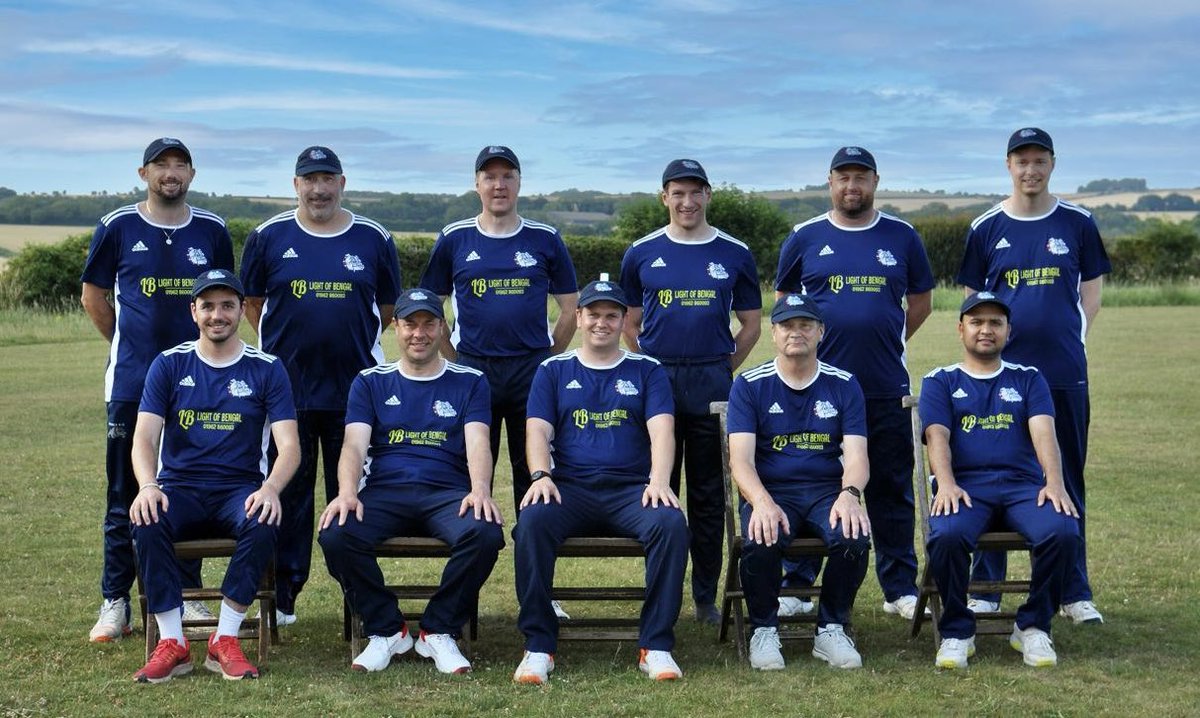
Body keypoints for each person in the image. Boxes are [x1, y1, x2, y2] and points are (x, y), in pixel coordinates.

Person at [239, 146, 402, 624]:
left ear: (342, 182)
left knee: (352, 493)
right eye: (309, 179)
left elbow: (387, 309)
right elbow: (252, 303)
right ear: (295, 185)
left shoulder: (373, 237)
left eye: (328, 178)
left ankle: (357, 596)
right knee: (287, 496)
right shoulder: (268, 236)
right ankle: (284, 596)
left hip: (355, 394)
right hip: (285, 394)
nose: (319, 188)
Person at [81, 137, 234, 642]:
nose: (171, 173)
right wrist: (130, 346)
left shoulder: (210, 229)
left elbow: (222, 299)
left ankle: (187, 597)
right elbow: (94, 297)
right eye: (161, 165)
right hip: (131, 383)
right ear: (143, 172)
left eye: (180, 165)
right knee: (125, 493)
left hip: (199, 386)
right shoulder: (118, 225)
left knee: (184, 487)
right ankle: (115, 601)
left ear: (192, 173)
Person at [957, 128, 1111, 624]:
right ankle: (987, 587)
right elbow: (971, 306)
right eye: (1021, 161)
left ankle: (1073, 591)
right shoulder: (985, 227)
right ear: (1008, 165)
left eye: (1039, 160)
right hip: (998, 379)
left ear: (1052, 164)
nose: (1031, 170)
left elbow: (1091, 293)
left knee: (1065, 476)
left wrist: (1075, 338)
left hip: (1064, 373)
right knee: (991, 471)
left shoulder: (1079, 223)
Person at [773, 146, 934, 621]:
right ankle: (798, 586)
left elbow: (920, 303)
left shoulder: (902, 236)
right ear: (830, 182)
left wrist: (885, 338)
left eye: (860, 178)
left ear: (875, 182)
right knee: (813, 482)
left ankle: (899, 587)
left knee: (890, 488)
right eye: (843, 178)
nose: (852, 187)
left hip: (885, 385)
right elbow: (785, 307)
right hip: (817, 389)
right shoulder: (804, 237)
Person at [318, 288, 505, 675]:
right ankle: (386, 629)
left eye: (428, 324)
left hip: (448, 495)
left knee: (485, 533)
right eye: (410, 324)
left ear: (442, 329)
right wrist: (347, 493)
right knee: (336, 533)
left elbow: (477, 442)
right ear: (395, 328)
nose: (418, 333)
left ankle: (439, 630)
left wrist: (480, 490)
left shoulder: (470, 381)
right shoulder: (370, 381)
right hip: (385, 493)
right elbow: (353, 445)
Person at [511, 280, 689, 685]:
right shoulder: (552, 370)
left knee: (671, 525)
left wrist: (659, 481)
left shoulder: (648, 369)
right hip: (568, 489)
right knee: (532, 524)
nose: (602, 323)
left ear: (625, 320)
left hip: (631, 491)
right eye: (593, 314)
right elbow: (537, 430)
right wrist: (540, 475)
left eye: (612, 315)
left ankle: (655, 645)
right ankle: (539, 645)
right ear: (578, 318)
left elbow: (663, 430)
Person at [128, 269, 300, 682]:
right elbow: (144, 440)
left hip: (238, 490)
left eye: (227, 305)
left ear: (242, 310)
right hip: (179, 489)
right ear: (194, 311)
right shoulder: (169, 364)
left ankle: (225, 638)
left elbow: (290, 446)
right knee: (144, 517)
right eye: (207, 306)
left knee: (265, 517)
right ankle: (174, 643)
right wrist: (148, 486)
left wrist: (271, 488)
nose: (217, 315)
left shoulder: (267, 368)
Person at [619, 159, 761, 625]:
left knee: (708, 496)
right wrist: (649, 371)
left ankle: (704, 597)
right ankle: (658, 593)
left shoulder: (735, 252)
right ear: (664, 197)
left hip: (711, 384)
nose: (687, 202)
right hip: (657, 384)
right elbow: (630, 322)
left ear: (708, 196)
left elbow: (752, 325)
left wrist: (722, 366)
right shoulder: (641, 252)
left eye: (695, 192)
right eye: (677, 193)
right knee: (655, 491)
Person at [921, 292, 1081, 668]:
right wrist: (944, 483)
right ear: (961, 329)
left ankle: (1033, 625)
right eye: (976, 322)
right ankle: (958, 630)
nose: (986, 330)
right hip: (965, 487)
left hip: (1022, 487)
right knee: (945, 534)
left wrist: (1054, 483)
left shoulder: (1028, 378)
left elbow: (1044, 433)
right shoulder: (940, 380)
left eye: (995, 323)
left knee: (1063, 530)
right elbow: (937, 436)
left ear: (1009, 330)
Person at [419, 145, 578, 513]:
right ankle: (475, 549)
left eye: (508, 176)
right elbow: (431, 308)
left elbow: (570, 308)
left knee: (537, 474)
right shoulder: (454, 238)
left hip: (531, 369)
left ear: (520, 182)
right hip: (474, 369)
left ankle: (532, 554)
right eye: (490, 177)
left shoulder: (545, 238)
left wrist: (548, 359)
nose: (499, 185)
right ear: (477, 184)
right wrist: (456, 359)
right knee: (472, 474)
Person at [726, 294, 871, 671]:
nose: (796, 332)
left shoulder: (844, 384)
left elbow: (857, 455)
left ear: (820, 332)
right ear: (773, 333)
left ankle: (832, 628)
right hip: (773, 491)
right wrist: (760, 501)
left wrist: (850, 494)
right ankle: (764, 629)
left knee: (853, 536)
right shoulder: (750, 384)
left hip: (827, 490)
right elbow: (740, 460)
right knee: (761, 536)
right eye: (787, 325)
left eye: (805, 325)